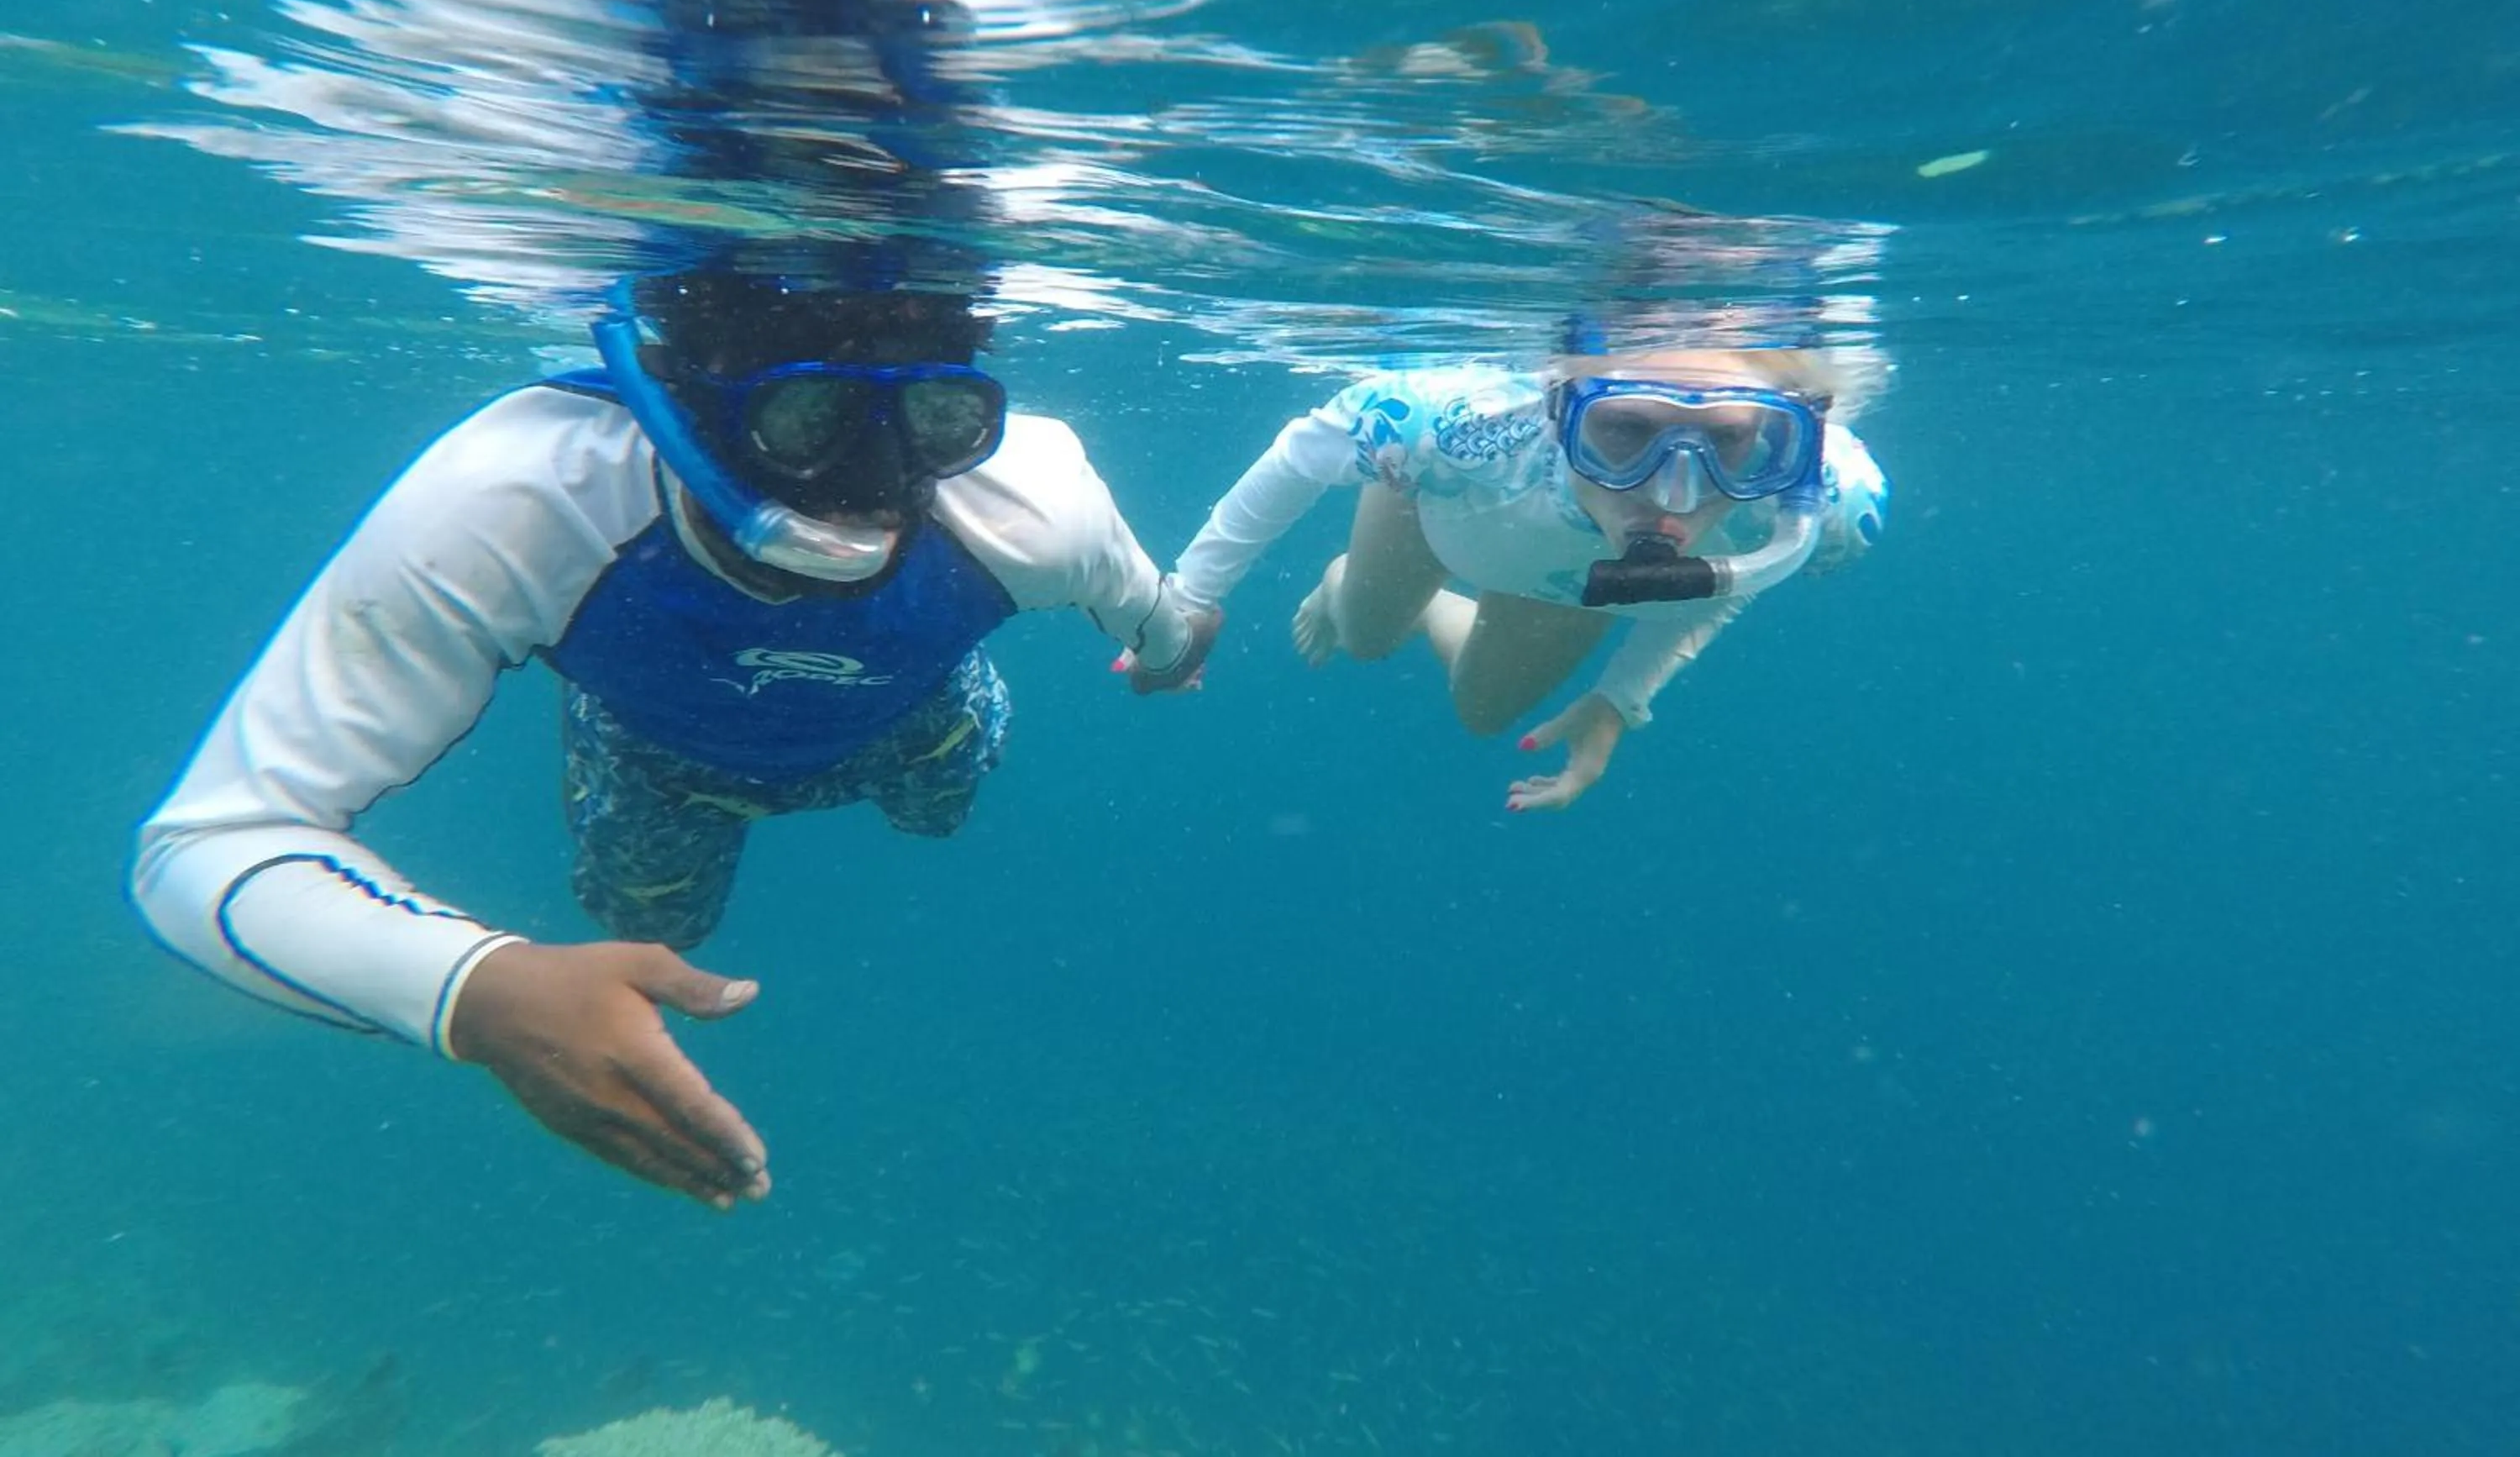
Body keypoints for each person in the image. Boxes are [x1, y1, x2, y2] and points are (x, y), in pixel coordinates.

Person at [131, 260, 1200, 1211]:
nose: (876, 484)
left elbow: (1164, 627)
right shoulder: (518, 500)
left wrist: (1166, 655)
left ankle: (911, 700)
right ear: (673, 409)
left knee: (940, 813)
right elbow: (206, 841)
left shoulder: (1036, 499)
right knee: (657, 932)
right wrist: (484, 991)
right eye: (809, 419)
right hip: (663, 768)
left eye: (938, 424)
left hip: (910, 722)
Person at [1129, 338, 1888, 811]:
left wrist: (1621, 700)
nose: (1672, 492)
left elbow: (1736, 579)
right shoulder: (1453, 427)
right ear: (1559, 411)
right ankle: (1342, 579)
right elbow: (1298, 457)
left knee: (1484, 716)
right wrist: (1189, 600)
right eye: (1626, 430)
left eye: (1723, 441)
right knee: (1364, 637)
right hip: (1436, 504)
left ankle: (1428, 607)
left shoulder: (1815, 498)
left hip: (1563, 580)